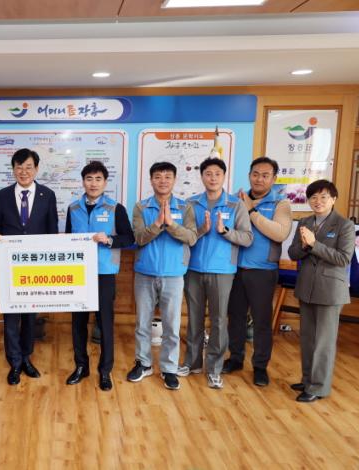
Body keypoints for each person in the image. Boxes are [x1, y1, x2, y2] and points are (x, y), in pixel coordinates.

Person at [179, 158, 253, 389]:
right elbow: (185, 236)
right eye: (208, 174)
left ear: (224, 176)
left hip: (222, 271)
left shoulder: (235, 205)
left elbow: (247, 238)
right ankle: (192, 363)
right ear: (202, 176)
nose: (212, 178)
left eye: (217, 174)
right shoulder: (190, 203)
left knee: (219, 320)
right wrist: (202, 230)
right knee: (194, 318)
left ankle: (214, 369)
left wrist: (225, 231)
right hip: (193, 269)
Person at [0, 148, 58, 385]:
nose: (24, 171)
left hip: (36, 266)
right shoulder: (3, 195)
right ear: (13, 170)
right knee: (11, 315)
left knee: (29, 315)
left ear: (36, 169)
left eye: (28, 167)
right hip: (11, 265)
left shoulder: (47, 195)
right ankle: (15, 362)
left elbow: (52, 230)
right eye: (19, 167)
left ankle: (27, 357)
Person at [128, 162, 197, 391]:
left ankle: (169, 368)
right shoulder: (141, 207)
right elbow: (138, 238)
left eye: (168, 176)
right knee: (142, 323)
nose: (163, 181)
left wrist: (171, 224)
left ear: (174, 180)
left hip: (174, 274)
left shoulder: (185, 207)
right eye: (157, 176)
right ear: (151, 180)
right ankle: (144, 363)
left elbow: (191, 238)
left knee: (171, 326)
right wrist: (158, 223)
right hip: (145, 272)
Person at [65, 161, 134, 391]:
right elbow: (68, 238)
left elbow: (129, 238)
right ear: (83, 182)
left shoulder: (115, 208)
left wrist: (110, 239)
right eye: (89, 179)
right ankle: (81, 366)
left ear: (105, 182)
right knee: (78, 322)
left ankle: (105, 371)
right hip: (78, 273)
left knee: (104, 323)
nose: (93, 183)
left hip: (104, 273)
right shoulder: (73, 209)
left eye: (98, 179)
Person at [223, 157, 292, 386]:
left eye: (265, 175)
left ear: (274, 178)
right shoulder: (236, 199)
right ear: (249, 175)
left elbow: (279, 233)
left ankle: (260, 366)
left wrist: (251, 211)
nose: (259, 179)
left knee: (262, 321)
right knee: (235, 317)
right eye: (255, 174)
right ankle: (235, 358)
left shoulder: (281, 203)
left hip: (263, 271)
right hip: (235, 269)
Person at [288, 179, 354, 402]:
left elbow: (343, 258)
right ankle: (308, 379)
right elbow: (293, 253)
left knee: (323, 342)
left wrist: (314, 244)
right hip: (306, 286)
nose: (318, 201)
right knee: (307, 338)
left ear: (333, 199)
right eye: (313, 197)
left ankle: (318, 387)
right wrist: (305, 245)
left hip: (330, 290)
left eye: (324, 197)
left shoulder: (344, 225)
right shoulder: (305, 222)